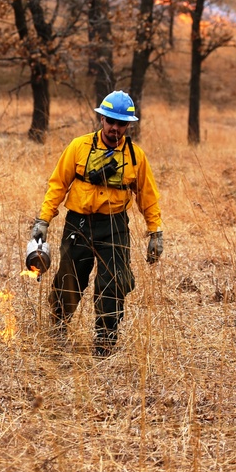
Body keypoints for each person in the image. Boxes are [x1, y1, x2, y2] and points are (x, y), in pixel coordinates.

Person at [29, 91, 163, 357]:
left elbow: (148, 196)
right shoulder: (78, 147)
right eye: (110, 121)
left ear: (128, 125)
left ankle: (105, 340)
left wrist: (155, 233)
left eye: (121, 123)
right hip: (77, 224)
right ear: (101, 118)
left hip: (114, 225)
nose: (115, 128)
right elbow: (58, 185)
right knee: (69, 279)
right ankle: (58, 329)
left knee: (114, 282)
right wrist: (44, 220)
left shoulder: (135, 157)